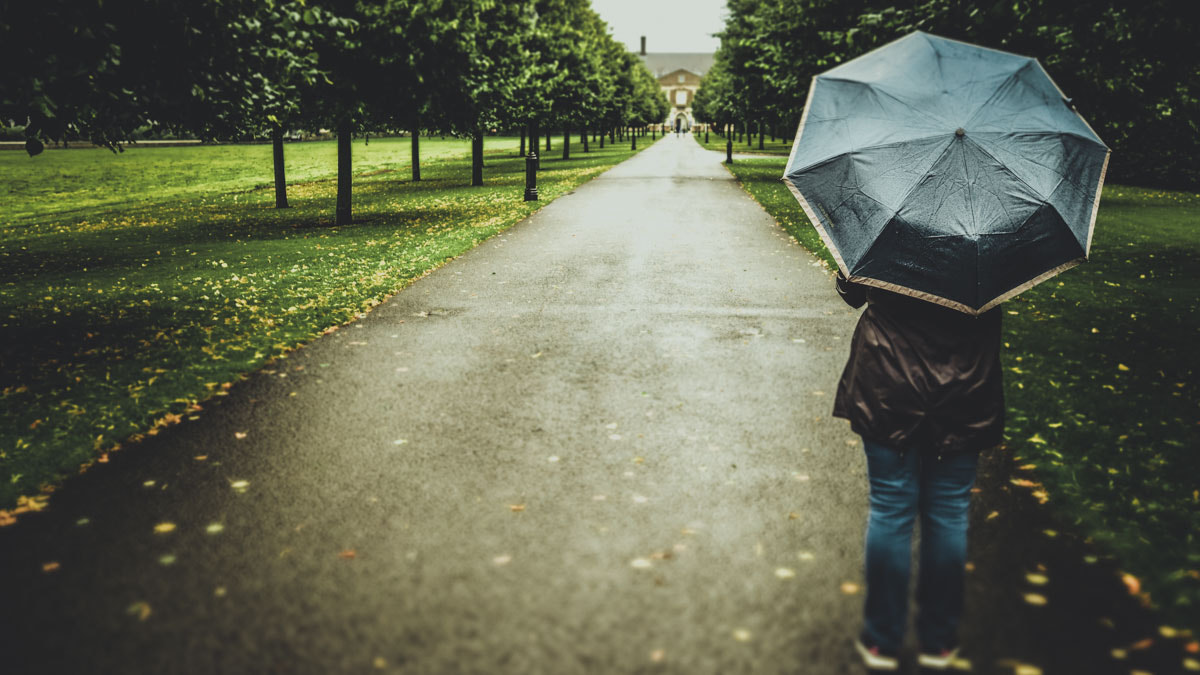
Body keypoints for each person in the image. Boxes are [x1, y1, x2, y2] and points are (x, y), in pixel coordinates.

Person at [832, 270, 1004, 672]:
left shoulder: (889, 220)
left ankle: (881, 641)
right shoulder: (995, 233)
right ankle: (938, 641)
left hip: (889, 382)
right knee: (948, 513)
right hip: (965, 387)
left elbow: (851, 291)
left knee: (891, 508)